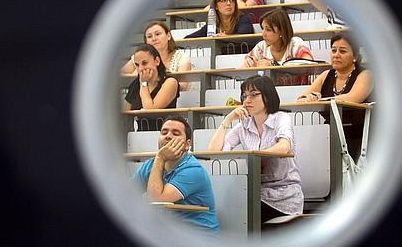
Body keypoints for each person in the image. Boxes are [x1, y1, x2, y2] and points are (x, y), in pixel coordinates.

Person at [207, 75, 304, 224]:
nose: (247, 100)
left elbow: (284, 147)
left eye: (253, 95)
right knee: (222, 206)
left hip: (283, 195)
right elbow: (214, 153)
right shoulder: (243, 126)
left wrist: (257, 156)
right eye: (245, 96)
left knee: (236, 212)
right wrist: (227, 120)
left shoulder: (281, 118)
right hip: (254, 193)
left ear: (268, 96)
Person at [134, 117, 220, 234]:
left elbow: (157, 199)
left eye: (176, 133)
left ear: (187, 144)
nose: (168, 136)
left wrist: (160, 157)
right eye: (164, 132)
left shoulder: (193, 170)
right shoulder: (150, 165)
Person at [296, 33, 373, 161]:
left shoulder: (366, 74)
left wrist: (320, 100)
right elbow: (300, 100)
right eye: (333, 50)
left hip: (360, 137)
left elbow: (353, 98)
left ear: (355, 56)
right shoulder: (326, 75)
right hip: (330, 135)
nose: (336, 54)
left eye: (342, 51)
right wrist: (309, 97)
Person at [121, 21, 191, 91]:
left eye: (158, 34)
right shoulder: (138, 57)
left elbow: (183, 85)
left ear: (168, 36)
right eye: (149, 36)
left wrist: (154, 83)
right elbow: (120, 76)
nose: (154, 39)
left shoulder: (181, 57)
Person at [124, 44, 180, 130]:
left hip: (164, 134)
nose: (141, 69)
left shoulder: (170, 82)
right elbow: (127, 115)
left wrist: (144, 83)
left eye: (144, 63)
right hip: (139, 135)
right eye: (137, 65)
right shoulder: (135, 84)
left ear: (157, 61)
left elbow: (150, 110)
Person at [241, 9, 314, 68]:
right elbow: (243, 69)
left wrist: (274, 65)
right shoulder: (261, 47)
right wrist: (248, 62)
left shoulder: (295, 43)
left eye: (268, 30)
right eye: (262, 29)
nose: (263, 34)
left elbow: (309, 65)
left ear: (282, 31)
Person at [184, 0, 254, 38]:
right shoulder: (213, 23)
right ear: (216, 6)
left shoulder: (244, 19)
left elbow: (244, 37)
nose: (229, 3)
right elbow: (190, 38)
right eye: (224, 0)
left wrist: (226, 37)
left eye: (232, 0)